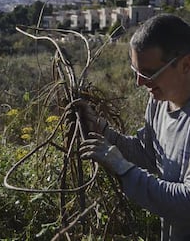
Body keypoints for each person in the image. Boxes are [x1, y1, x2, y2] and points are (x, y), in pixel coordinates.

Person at [79, 13, 190, 241]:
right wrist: (104, 133)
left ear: (186, 64)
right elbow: (148, 154)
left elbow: (186, 205)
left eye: (149, 73)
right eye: (136, 72)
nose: (139, 83)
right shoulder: (159, 102)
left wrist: (124, 169)